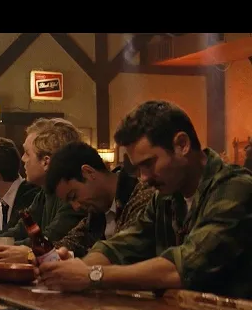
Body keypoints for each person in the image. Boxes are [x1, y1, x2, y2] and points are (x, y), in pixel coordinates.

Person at [39, 100, 252, 299]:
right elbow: (121, 246)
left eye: (148, 164)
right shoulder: (166, 196)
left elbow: (182, 267)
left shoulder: (235, 187)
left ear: (182, 144)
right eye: (139, 168)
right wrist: (74, 270)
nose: (143, 178)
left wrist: (92, 275)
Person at [0, 141, 154, 263]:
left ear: (88, 172)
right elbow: (69, 244)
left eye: (73, 196)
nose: (76, 207)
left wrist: (31, 256)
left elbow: (122, 253)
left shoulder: (141, 195)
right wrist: (34, 255)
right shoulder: (96, 213)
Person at [0, 118, 85, 262]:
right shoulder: (45, 192)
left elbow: (48, 241)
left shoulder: (76, 197)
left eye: (27, 153)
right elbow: (21, 230)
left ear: (46, 161)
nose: (22, 159)